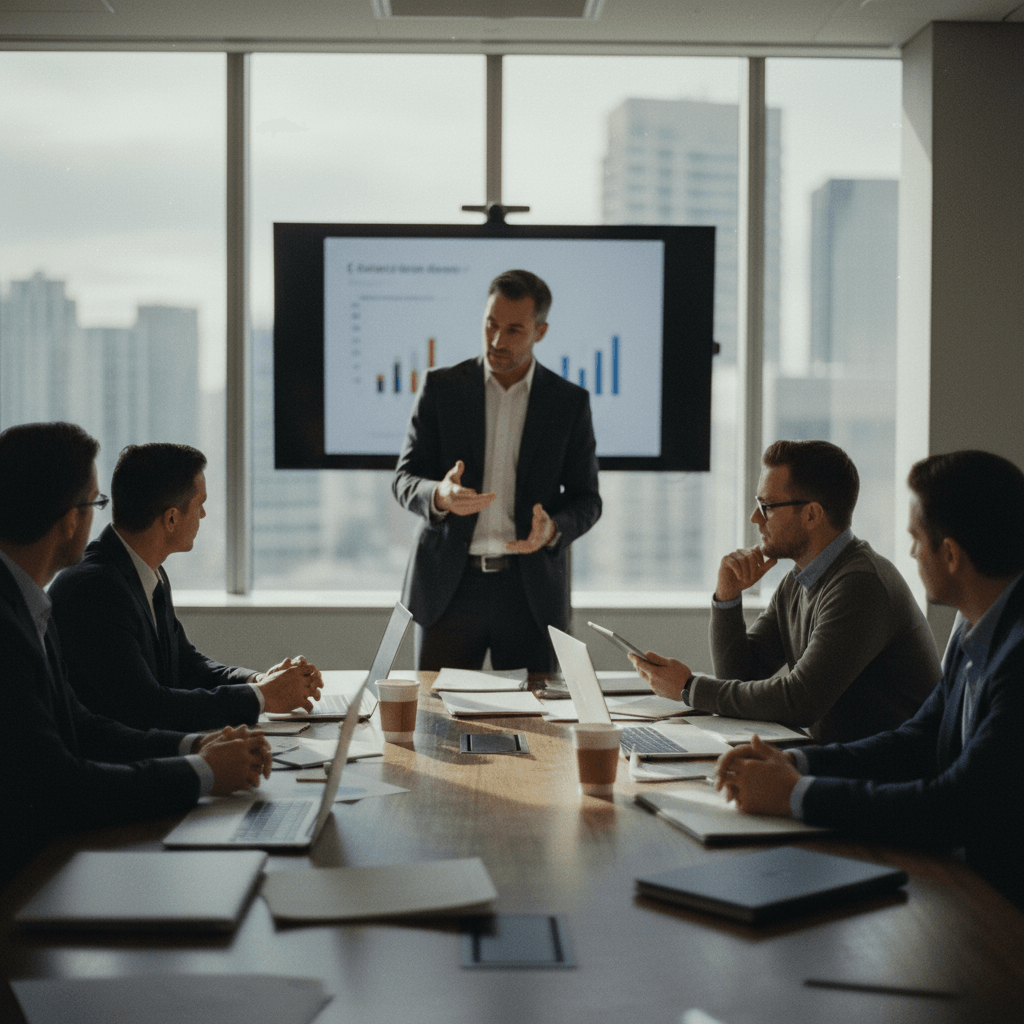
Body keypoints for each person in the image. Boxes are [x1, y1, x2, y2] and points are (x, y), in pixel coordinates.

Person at [714, 450, 1024, 909]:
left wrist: (798, 795)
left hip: (997, 900)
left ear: (952, 554)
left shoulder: (1017, 657)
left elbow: (957, 806)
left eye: (917, 540)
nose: (913, 553)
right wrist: (798, 764)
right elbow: (918, 738)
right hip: (951, 866)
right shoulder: (972, 626)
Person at [0, 422, 272, 888]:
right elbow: (63, 785)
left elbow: (81, 723)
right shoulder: (42, 609)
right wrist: (201, 772)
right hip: (26, 878)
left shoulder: (28, 605)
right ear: (70, 519)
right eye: (94, 503)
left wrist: (193, 747)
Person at [631, 440, 939, 743]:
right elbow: (739, 675)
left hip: (883, 777)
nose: (755, 517)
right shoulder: (798, 580)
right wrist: (727, 597)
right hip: (838, 763)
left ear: (811, 515)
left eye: (766, 507)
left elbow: (799, 701)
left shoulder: (860, 585)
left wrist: (690, 688)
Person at [393, 269, 601, 672]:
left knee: (538, 726)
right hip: (449, 590)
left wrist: (553, 529)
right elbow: (404, 478)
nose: (496, 341)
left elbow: (587, 500)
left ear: (540, 331)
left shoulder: (568, 403)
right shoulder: (441, 388)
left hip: (530, 593)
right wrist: (439, 496)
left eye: (513, 330)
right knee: (437, 725)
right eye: (490, 324)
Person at [49, 443, 322, 732]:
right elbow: (146, 708)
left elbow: (186, 664)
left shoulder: (148, 572)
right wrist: (263, 698)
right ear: (171, 519)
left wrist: (257, 682)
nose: (203, 515)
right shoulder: (96, 592)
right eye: (199, 503)